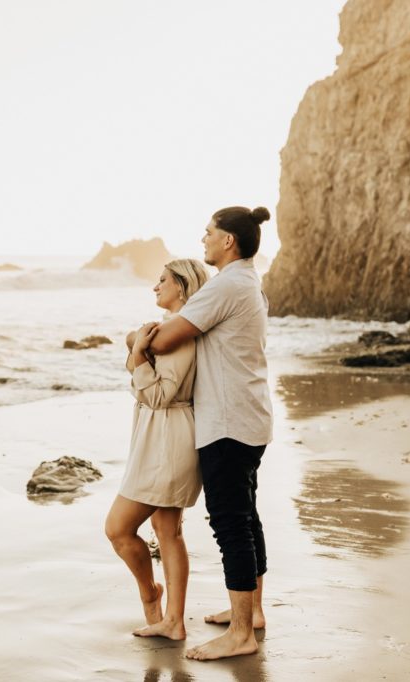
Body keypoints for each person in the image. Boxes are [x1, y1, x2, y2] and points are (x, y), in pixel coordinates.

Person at [148, 205, 275, 661]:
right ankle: (252, 613)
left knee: (230, 523)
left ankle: (241, 633)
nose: (202, 240)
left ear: (228, 241)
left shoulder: (226, 286)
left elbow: (164, 340)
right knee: (247, 516)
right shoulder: (249, 283)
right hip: (251, 417)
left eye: (208, 233)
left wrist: (135, 339)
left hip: (226, 422)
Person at [104, 258, 210, 641]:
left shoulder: (181, 333)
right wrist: (138, 349)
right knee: (167, 530)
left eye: (162, 280)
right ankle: (173, 621)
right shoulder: (168, 329)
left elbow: (161, 394)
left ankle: (152, 594)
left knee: (118, 528)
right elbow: (141, 377)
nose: (155, 287)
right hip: (158, 434)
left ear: (181, 287)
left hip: (169, 437)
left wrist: (137, 357)